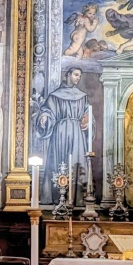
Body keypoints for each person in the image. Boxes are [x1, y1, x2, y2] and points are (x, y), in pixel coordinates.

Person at [35, 67, 92, 203]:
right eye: (76, 75)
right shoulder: (55, 95)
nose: (78, 78)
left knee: (77, 162)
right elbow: (47, 111)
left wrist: (88, 119)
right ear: (68, 75)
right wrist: (44, 117)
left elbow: (87, 113)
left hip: (77, 134)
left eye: (80, 75)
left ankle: (77, 199)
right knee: (58, 161)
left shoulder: (82, 96)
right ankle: (57, 197)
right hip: (60, 133)